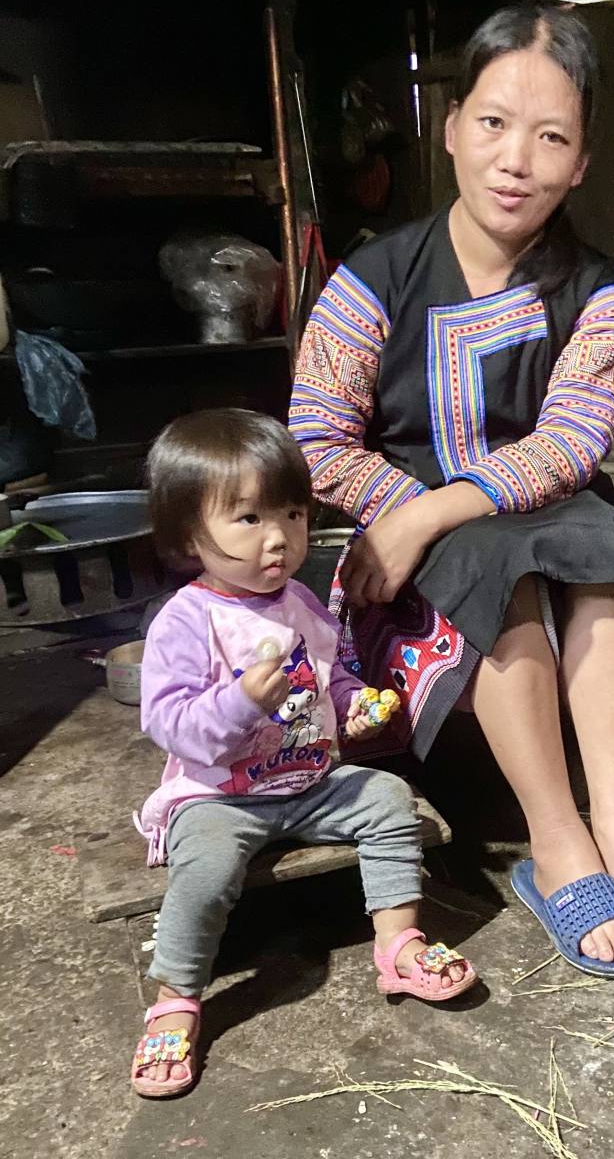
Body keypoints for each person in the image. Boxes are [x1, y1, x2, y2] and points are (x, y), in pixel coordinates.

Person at [289, 3, 614, 979]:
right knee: (502, 562)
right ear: (450, 128)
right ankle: (557, 839)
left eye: (551, 137)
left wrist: (437, 507)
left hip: (516, 506)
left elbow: (573, 440)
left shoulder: (598, 290)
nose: (515, 159)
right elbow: (319, 441)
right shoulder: (371, 281)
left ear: (579, 163)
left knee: (600, 546)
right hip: (410, 541)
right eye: (492, 123)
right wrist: (402, 512)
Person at [130, 408, 477, 1100]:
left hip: (310, 779)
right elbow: (169, 725)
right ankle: (175, 998)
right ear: (189, 535)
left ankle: (398, 943)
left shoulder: (300, 602)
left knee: (385, 799)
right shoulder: (186, 621)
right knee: (203, 872)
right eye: (249, 519)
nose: (280, 539)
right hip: (221, 795)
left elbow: (330, 671)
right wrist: (240, 703)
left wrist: (354, 701)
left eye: (291, 514)